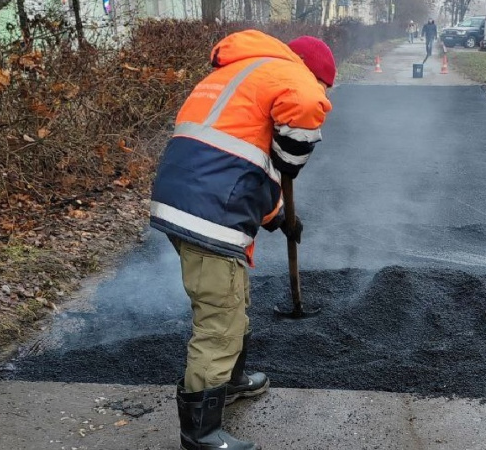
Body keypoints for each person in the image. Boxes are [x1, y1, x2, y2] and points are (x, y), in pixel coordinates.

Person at [149, 30, 335, 450]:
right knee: (220, 318)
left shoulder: (244, 74)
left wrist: (277, 219)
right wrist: (292, 158)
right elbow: (305, 109)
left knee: (232, 295)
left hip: (191, 199)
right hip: (208, 212)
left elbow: (238, 163)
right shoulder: (293, 77)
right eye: (324, 85)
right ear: (314, 73)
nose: (321, 93)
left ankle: (231, 380)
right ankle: (200, 433)